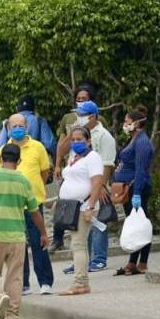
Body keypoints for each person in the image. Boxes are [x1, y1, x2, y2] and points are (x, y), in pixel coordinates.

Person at [0, 144, 49, 319]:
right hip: (17, 237)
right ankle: (12, 316)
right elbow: (34, 211)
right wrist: (44, 233)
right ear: (19, 160)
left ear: (0, 159)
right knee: (15, 276)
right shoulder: (24, 181)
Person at [0, 114, 54, 295]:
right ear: (8, 129)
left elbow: (44, 172)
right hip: (13, 206)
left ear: (27, 126)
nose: (17, 128)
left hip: (34, 203)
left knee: (39, 241)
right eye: (14, 126)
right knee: (18, 246)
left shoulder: (37, 147)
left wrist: (36, 189)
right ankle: (23, 284)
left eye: (21, 125)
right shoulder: (3, 150)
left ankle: (45, 281)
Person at [59, 101, 116, 272]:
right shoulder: (76, 136)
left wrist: (101, 186)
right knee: (80, 231)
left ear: (92, 116)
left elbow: (107, 163)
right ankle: (81, 261)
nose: (78, 117)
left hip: (96, 185)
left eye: (81, 114)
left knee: (97, 221)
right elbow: (62, 150)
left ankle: (98, 258)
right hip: (78, 187)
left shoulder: (104, 136)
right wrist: (72, 135)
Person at [56, 127, 104, 296]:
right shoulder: (73, 157)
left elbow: (97, 183)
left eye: (79, 139)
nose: (75, 142)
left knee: (78, 244)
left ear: (88, 141)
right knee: (77, 244)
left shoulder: (93, 157)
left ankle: (79, 283)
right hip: (70, 207)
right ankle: (82, 282)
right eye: (73, 139)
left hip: (84, 207)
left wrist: (90, 206)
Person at [51, 84, 98, 251]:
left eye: (84, 99)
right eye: (78, 99)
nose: (80, 102)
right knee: (62, 203)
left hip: (89, 171)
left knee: (84, 215)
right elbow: (61, 144)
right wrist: (57, 163)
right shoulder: (69, 118)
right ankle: (58, 238)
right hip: (71, 167)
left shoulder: (99, 121)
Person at [114, 109, 155, 276]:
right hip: (128, 187)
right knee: (134, 225)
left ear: (137, 123)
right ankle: (132, 262)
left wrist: (137, 192)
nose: (125, 124)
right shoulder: (133, 139)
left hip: (136, 188)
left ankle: (142, 262)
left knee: (140, 226)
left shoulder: (142, 142)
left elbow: (140, 169)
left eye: (128, 121)